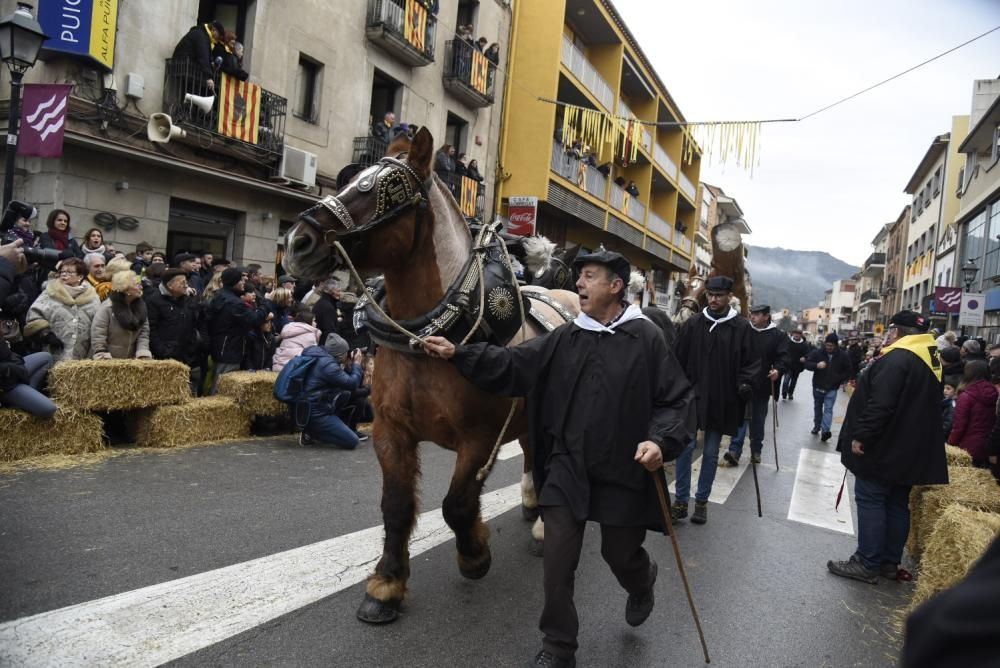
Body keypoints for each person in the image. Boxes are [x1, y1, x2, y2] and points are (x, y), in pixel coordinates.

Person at [422, 247, 692, 668]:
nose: (579, 284)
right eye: (580, 276)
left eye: (589, 276)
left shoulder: (646, 339)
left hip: (624, 468)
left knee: (619, 555)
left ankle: (642, 581)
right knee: (557, 561)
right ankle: (559, 647)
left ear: (616, 286)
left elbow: (676, 401)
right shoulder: (568, 336)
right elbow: (514, 364)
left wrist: (660, 441)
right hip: (568, 466)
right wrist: (458, 353)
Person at [828, 310, 947, 584]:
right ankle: (888, 563)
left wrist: (862, 436)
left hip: (885, 447)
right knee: (896, 503)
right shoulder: (930, 359)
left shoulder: (898, 359)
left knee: (871, 499)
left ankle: (866, 562)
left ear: (896, 332)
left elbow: (882, 403)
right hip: (909, 449)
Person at [672, 275, 758, 524]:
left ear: (729, 297)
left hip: (722, 399)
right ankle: (680, 501)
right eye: (709, 294)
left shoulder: (741, 328)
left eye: (718, 295)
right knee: (685, 449)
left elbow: (752, 362)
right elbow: (677, 357)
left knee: (710, 453)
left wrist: (746, 382)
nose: (712, 299)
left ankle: (701, 502)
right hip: (692, 397)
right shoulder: (694, 324)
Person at [722, 304, 789, 466]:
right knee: (740, 418)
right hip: (743, 383)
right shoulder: (745, 331)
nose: (752, 317)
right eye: (752, 314)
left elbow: (783, 358)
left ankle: (756, 450)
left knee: (757, 420)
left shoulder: (778, 335)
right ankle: (734, 451)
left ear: (766, 316)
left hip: (762, 384)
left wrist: (778, 371)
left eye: (757, 314)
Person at [24, 257, 99, 362]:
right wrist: (46, 334)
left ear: (80, 276)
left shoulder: (92, 297)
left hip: (81, 357)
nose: (64, 274)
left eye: (69, 272)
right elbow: (34, 315)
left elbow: (98, 324)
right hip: (53, 352)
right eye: (62, 271)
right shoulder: (50, 292)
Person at [205, 267, 268, 393]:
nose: (244, 282)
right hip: (229, 348)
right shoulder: (234, 302)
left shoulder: (221, 295)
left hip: (223, 346)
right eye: (241, 280)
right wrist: (267, 304)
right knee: (223, 386)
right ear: (234, 281)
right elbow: (254, 319)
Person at [297, 334, 364, 449]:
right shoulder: (328, 366)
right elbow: (352, 384)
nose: (348, 354)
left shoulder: (322, 358)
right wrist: (357, 364)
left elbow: (345, 386)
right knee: (352, 441)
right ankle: (313, 432)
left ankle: (330, 428)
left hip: (314, 406)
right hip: (316, 412)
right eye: (346, 352)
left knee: (345, 394)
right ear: (340, 354)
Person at [89, 270, 152, 360]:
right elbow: (98, 334)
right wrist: (102, 355)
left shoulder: (141, 307)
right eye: (136, 285)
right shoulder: (108, 308)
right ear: (126, 290)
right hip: (109, 360)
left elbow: (144, 334)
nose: (141, 287)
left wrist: (142, 354)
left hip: (131, 361)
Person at [146, 268, 200, 370]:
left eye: (186, 282)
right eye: (182, 282)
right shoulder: (154, 301)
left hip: (187, 354)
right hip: (165, 356)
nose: (186, 285)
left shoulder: (187, 299)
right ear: (170, 285)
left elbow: (194, 323)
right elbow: (151, 328)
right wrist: (162, 350)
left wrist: (193, 346)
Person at [946, 360, 997, 468]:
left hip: (968, 447)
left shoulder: (966, 396)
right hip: (989, 445)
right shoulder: (995, 393)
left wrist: (950, 445)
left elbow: (959, 426)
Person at [805, 332, 852, 442]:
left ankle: (825, 431)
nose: (829, 348)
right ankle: (817, 426)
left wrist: (839, 379)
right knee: (818, 407)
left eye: (831, 346)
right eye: (827, 345)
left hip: (832, 388)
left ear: (836, 345)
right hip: (818, 386)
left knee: (828, 409)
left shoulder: (843, 355)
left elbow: (848, 370)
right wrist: (816, 365)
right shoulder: (817, 353)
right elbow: (807, 364)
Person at [172, 21, 225, 96]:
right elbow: (202, 56)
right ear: (213, 30)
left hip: (185, 67)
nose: (217, 40)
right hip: (185, 67)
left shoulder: (203, 35)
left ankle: (187, 105)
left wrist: (211, 64)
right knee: (190, 94)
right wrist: (208, 77)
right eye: (218, 36)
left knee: (190, 94)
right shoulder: (202, 36)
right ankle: (186, 106)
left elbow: (205, 56)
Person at [272, 306, 320, 372]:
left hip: (278, 365)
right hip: (293, 369)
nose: (316, 323)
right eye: (314, 321)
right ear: (308, 322)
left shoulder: (289, 328)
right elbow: (313, 355)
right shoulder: (309, 335)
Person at [313, 277, 344, 346]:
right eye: (338, 291)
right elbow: (329, 331)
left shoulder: (325, 303)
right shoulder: (327, 307)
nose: (340, 294)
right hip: (325, 345)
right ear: (331, 291)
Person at [781, 329, 810, 400]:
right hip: (788, 365)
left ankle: (790, 393)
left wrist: (805, 357)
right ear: (793, 334)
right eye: (795, 333)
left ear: (801, 335)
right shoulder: (788, 342)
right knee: (786, 380)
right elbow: (783, 350)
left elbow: (808, 354)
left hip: (798, 366)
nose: (796, 335)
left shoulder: (804, 344)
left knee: (793, 381)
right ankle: (784, 392)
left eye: (798, 334)